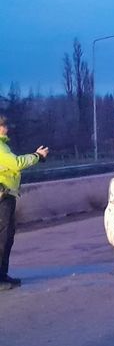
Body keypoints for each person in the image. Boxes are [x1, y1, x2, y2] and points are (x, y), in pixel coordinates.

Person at [0, 115, 48, 290]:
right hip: (3, 198)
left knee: (6, 238)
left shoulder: (3, 146)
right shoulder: (0, 147)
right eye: (3, 125)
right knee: (2, 238)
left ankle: (3, 275)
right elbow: (16, 163)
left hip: (7, 196)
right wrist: (37, 156)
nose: (6, 128)